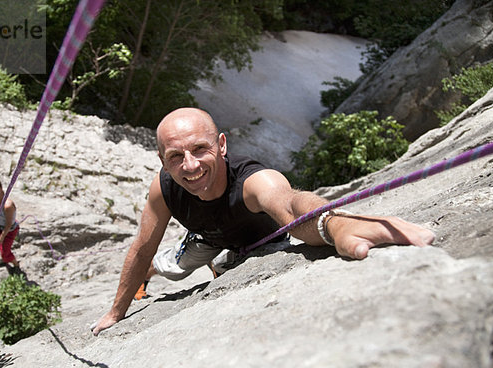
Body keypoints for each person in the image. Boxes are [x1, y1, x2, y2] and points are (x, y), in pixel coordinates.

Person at [90, 108, 435, 336]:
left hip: (261, 242)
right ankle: (149, 278)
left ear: (221, 145)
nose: (190, 166)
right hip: (206, 237)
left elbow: (288, 203)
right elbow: (142, 246)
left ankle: (220, 266)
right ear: (162, 161)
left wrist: (336, 223)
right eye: (176, 157)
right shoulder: (163, 188)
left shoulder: (253, 181)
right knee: (173, 267)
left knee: (229, 266)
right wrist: (117, 311)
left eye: (199, 149)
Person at [0, 179, 24, 276]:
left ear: (1, 189)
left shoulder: (8, 205)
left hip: (9, 230)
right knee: (1, 248)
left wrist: (2, 236)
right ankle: (4, 259)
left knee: (6, 251)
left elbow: (9, 224)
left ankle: (16, 266)